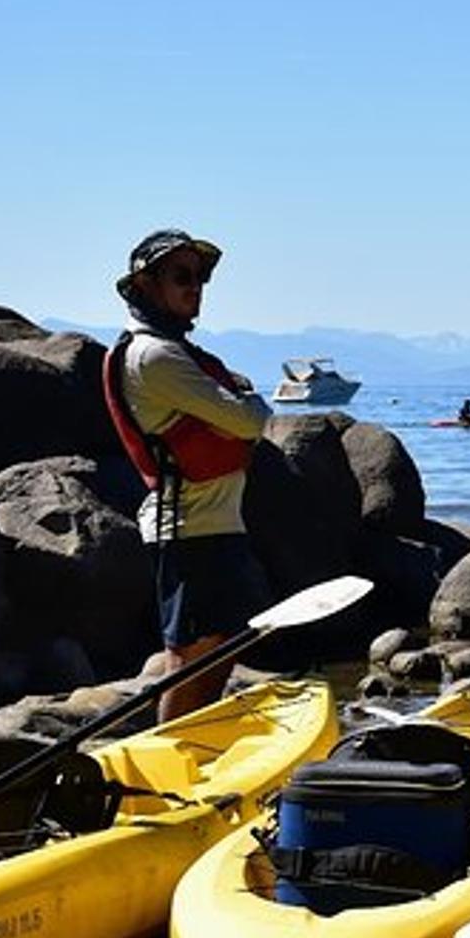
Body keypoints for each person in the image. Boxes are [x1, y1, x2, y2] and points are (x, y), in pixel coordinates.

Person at [100, 229, 273, 721]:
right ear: (147, 285)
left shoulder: (172, 352)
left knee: (223, 644)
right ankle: (172, 762)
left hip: (212, 522)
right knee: (189, 656)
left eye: (200, 277)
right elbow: (249, 419)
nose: (195, 286)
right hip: (189, 526)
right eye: (181, 276)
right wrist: (248, 401)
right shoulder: (155, 355)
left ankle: (198, 747)